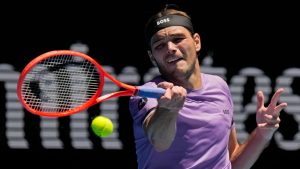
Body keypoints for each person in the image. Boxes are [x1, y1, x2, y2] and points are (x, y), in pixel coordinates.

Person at [128, 4, 288, 169]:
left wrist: (263, 133)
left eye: (177, 39)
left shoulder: (219, 86)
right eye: (160, 45)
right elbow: (159, 142)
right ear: (152, 57)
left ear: (196, 42)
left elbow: (233, 161)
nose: (170, 48)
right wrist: (167, 109)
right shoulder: (148, 94)